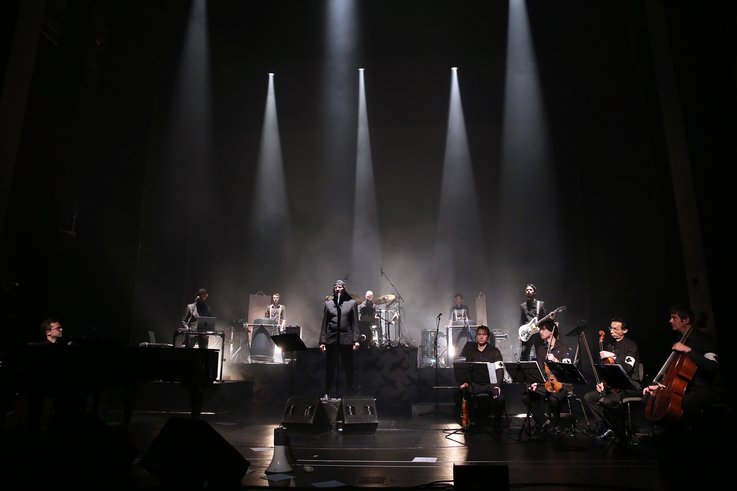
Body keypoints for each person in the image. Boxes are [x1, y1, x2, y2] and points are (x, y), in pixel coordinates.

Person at [642, 304, 728, 432]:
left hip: (709, 387)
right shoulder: (679, 342)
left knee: (687, 401)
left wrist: (688, 350)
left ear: (686, 320)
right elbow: (673, 373)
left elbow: (712, 366)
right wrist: (660, 387)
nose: (670, 321)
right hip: (688, 387)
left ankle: (702, 437)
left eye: (674, 317)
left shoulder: (704, 339)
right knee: (651, 399)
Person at [582, 317, 642, 442]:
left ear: (624, 330)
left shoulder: (631, 345)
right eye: (611, 328)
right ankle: (606, 426)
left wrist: (613, 357)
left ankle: (619, 430)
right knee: (589, 397)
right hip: (614, 385)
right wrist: (602, 383)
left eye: (615, 329)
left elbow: (627, 368)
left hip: (629, 385)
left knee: (607, 401)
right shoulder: (610, 345)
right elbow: (607, 369)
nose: (611, 331)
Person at [521, 319, 573, 435]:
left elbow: (568, 370)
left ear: (551, 331)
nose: (540, 332)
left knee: (553, 397)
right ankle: (544, 421)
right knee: (526, 395)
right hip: (546, 382)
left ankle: (556, 424)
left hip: (562, 383)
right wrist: (536, 382)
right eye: (540, 329)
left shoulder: (563, 347)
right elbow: (540, 369)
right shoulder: (541, 349)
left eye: (543, 329)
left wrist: (556, 360)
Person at [456, 325, 506, 432]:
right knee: (460, 393)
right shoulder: (471, 352)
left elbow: (500, 370)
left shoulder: (495, 351)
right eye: (479, 334)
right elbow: (467, 371)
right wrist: (465, 383)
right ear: (476, 336)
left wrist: (497, 386)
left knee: (500, 398)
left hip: (490, 385)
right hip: (476, 385)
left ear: (488, 337)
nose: (481, 337)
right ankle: (472, 421)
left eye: (484, 334)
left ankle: (497, 423)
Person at [319, 280, 360, 399]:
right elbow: (324, 323)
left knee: (348, 366)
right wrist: (322, 341)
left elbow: (355, 322)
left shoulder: (351, 303)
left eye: (340, 287)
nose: (337, 289)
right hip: (331, 339)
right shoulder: (328, 304)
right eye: (336, 287)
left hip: (346, 339)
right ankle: (327, 392)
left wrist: (356, 339)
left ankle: (350, 392)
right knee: (330, 367)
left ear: (344, 288)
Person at [519, 283, 548, 361]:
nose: (528, 291)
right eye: (527, 290)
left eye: (530, 290)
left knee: (540, 355)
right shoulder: (523, 305)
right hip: (527, 332)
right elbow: (522, 320)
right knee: (524, 355)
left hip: (538, 333)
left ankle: (541, 368)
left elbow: (545, 319)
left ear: (534, 292)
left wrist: (550, 318)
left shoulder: (540, 304)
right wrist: (520, 333)